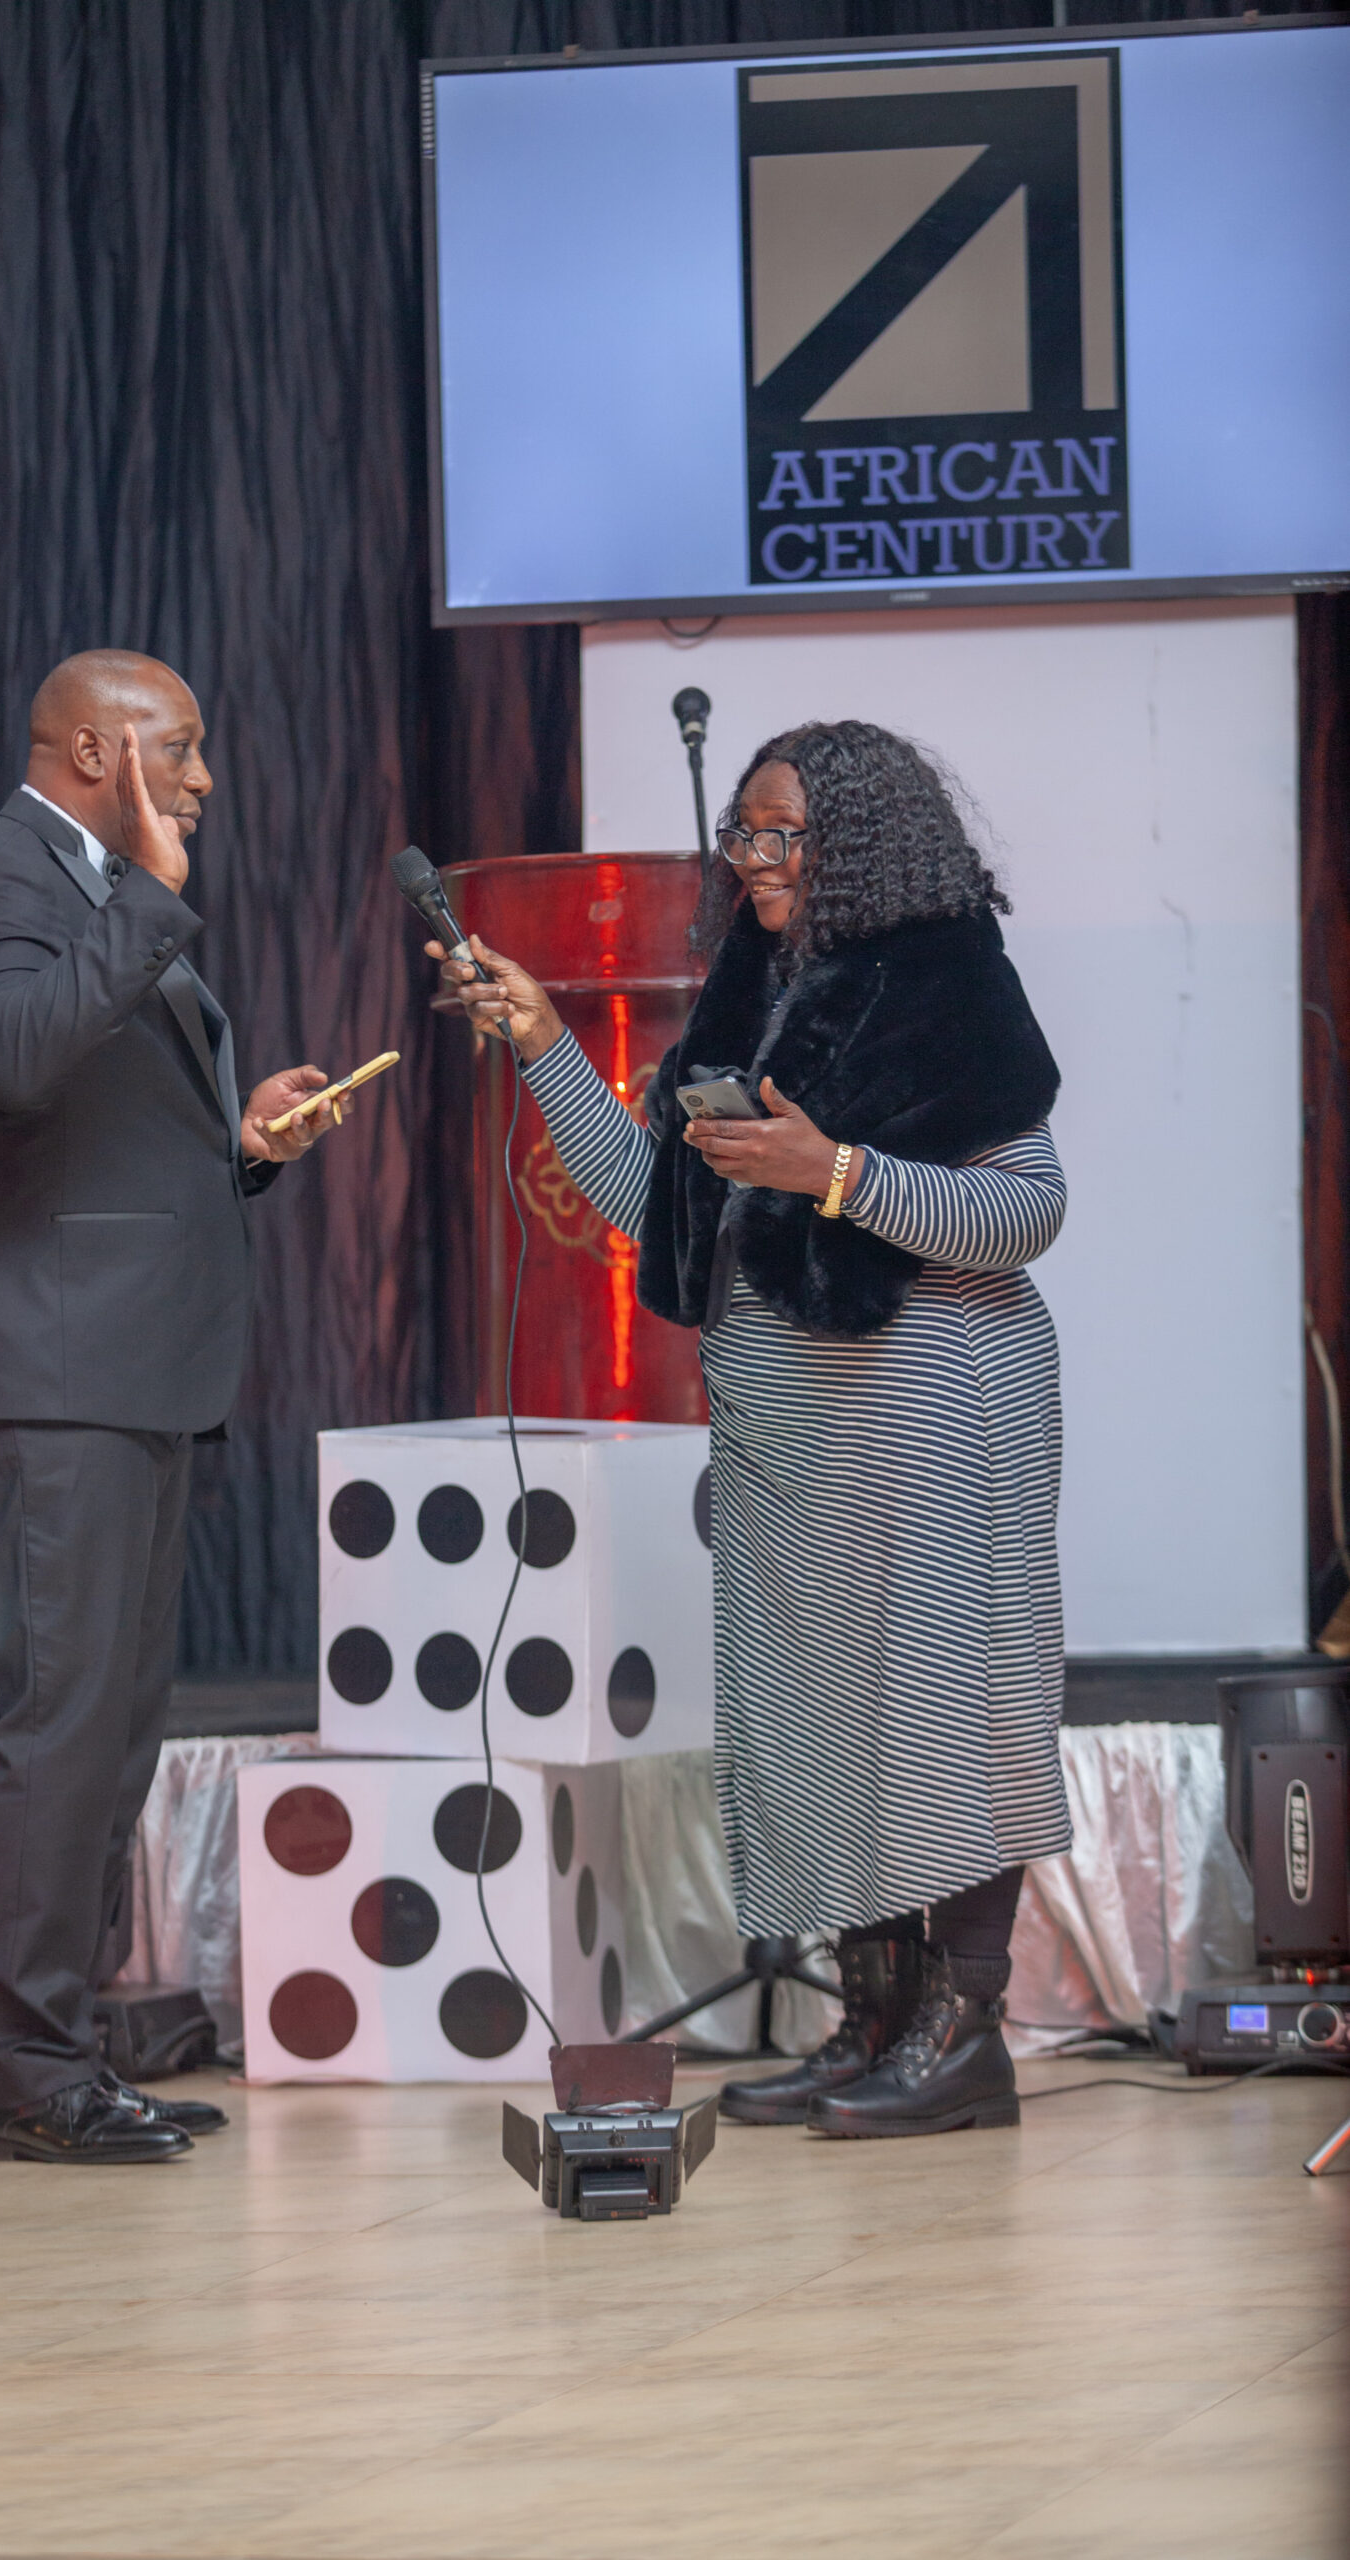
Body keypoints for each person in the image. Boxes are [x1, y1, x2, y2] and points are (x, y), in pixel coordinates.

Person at [434, 720, 1071, 2140]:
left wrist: (835, 1173)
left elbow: (1029, 1210)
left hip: (934, 1408)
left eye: (787, 837)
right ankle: (878, 2022)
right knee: (825, 1721)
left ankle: (965, 2038)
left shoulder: (948, 979)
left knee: (946, 1715)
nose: (758, 861)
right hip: (789, 1419)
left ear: (863, 843)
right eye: (746, 836)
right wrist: (542, 1043)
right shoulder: (752, 989)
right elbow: (654, 1204)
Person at [0, 649, 344, 2164]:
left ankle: (62, 2052)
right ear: (95, 753)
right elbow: (12, 1063)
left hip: (113, 1366)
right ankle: (25, 2077)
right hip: (35, 1371)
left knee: (113, 1729)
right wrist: (147, 893)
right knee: (62, 1726)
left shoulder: (87, 886)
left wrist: (241, 1142)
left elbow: (88, 1122)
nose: (201, 780)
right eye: (178, 749)